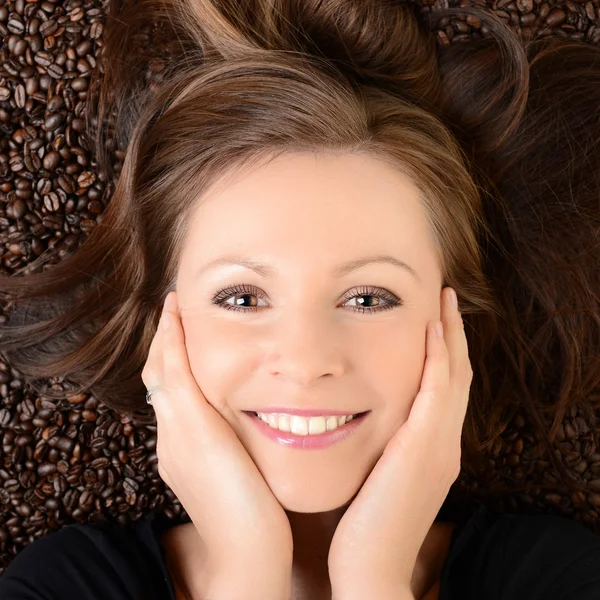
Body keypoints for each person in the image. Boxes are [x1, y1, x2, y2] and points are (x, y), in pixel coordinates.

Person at [1, 1, 599, 599]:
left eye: (367, 299)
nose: (307, 359)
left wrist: (375, 580)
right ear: (164, 323)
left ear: (454, 321)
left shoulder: (559, 578)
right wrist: (245, 576)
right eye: (241, 297)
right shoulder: (62, 586)